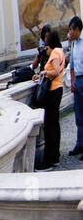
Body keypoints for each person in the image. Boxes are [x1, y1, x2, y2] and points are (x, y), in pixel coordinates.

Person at [34, 28, 66, 169]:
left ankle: (48, 161)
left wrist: (44, 71)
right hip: (57, 90)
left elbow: (56, 71)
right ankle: (55, 157)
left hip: (52, 91)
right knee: (55, 126)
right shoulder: (60, 51)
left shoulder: (54, 53)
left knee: (49, 127)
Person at [66, 16, 83, 156]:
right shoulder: (74, 44)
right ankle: (80, 144)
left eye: (71, 29)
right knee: (79, 115)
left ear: (77, 29)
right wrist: (72, 82)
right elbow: (71, 65)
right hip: (77, 80)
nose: (69, 32)